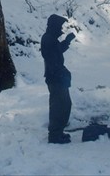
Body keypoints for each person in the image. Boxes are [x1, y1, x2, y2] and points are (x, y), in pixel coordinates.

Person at [41, 14, 76, 144]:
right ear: (54, 26)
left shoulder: (51, 38)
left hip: (58, 77)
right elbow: (52, 59)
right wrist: (60, 73)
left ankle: (58, 132)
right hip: (55, 78)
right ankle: (55, 135)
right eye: (60, 26)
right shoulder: (48, 39)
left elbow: (58, 51)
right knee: (59, 106)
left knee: (65, 105)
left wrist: (67, 41)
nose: (61, 29)